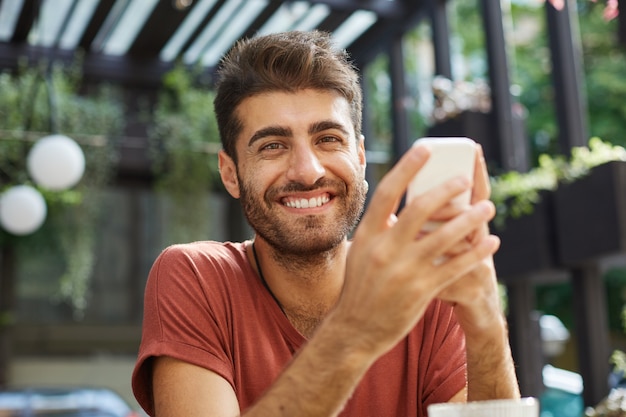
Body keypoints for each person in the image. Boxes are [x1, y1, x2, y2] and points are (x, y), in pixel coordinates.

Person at [131, 30, 520, 417]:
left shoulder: (425, 289)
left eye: (329, 139)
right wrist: (357, 327)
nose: (307, 171)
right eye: (272, 146)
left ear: (361, 157)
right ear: (230, 174)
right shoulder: (197, 276)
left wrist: (485, 320)